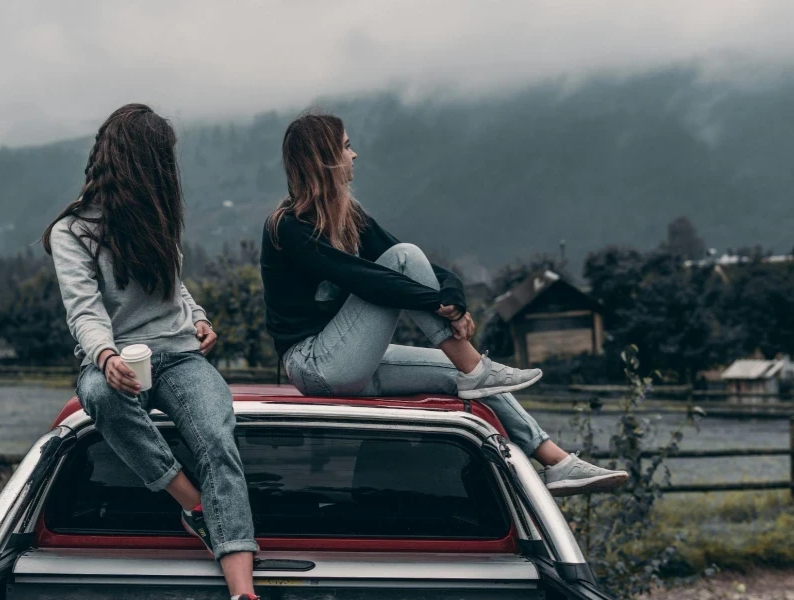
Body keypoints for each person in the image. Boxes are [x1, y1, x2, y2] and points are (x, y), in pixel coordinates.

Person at [260, 112, 628, 496]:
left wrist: (453, 295)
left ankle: (557, 462)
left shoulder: (348, 215)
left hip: (351, 360)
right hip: (314, 364)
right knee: (404, 259)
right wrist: (438, 304)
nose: (355, 155)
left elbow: (420, 268)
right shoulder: (287, 226)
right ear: (325, 158)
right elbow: (365, 279)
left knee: (466, 380)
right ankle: (475, 367)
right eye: (347, 146)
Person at [42, 104, 259, 600]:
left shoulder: (158, 220)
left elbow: (175, 289)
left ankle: (242, 591)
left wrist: (200, 316)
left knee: (217, 438)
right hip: (119, 361)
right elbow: (84, 311)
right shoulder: (72, 231)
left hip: (182, 356)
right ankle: (196, 507)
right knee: (97, 393)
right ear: (141, 162)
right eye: (164, 159)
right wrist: (105, 357)